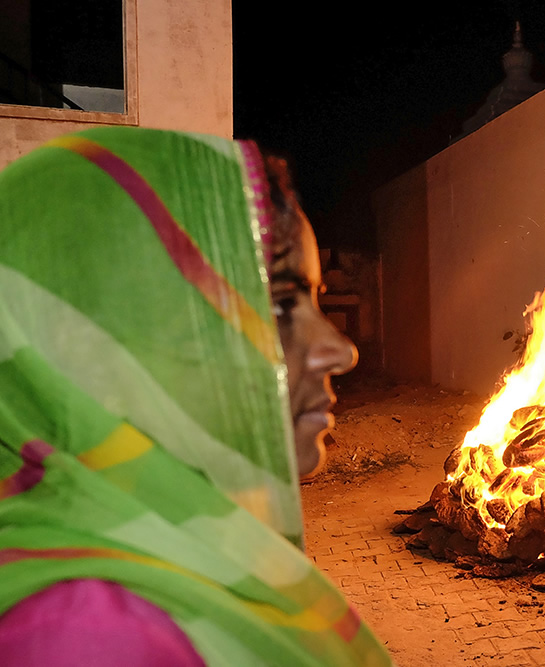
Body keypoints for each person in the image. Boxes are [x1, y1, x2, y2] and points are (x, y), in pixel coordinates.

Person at [0, 128, 391, 665]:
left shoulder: (189, 542)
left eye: (314, 302)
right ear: (96, 347)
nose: (340, 351)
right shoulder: (89, 637)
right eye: (277, 306)